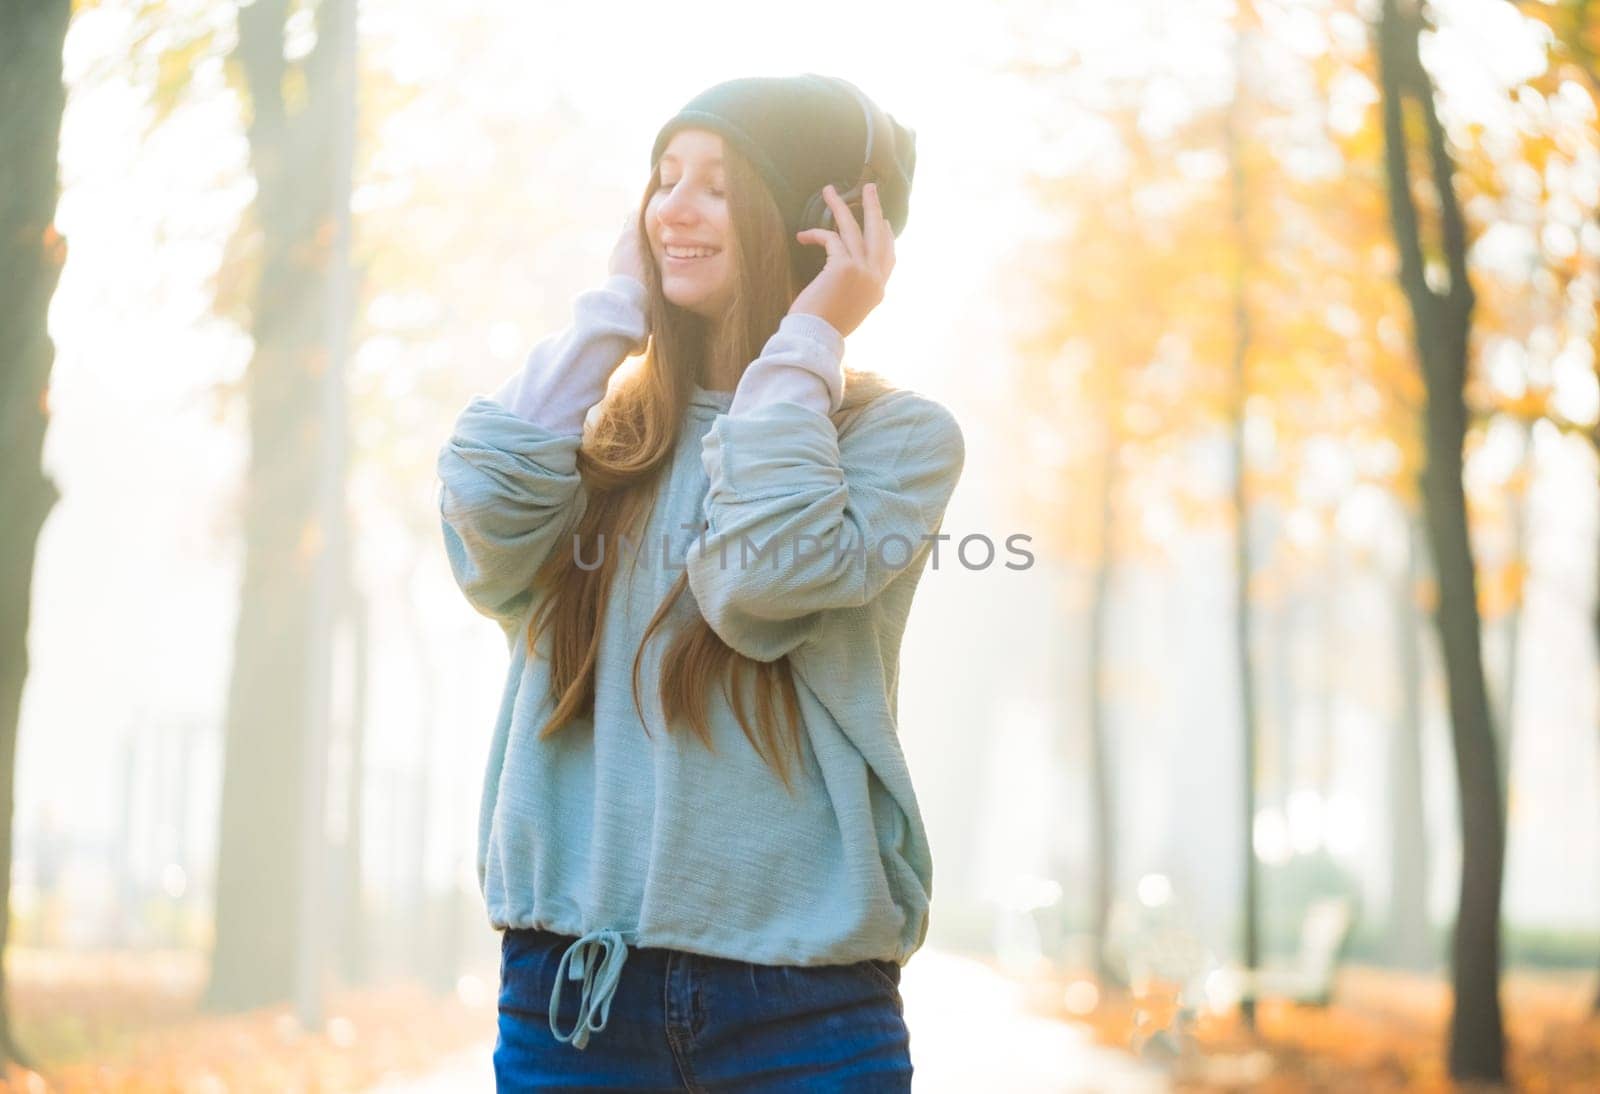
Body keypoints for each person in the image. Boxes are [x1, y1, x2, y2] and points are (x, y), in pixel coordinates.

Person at [437, 73, 965, 1091]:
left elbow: (757, 575)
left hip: (807, 1010)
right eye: (663, 178)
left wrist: (809, 334)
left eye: (717, 185)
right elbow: (483, 520)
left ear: (821, 223)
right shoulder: (599, 434)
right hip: (575, 999)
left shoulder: (894, 439)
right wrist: (613, 312)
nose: (669, 208)